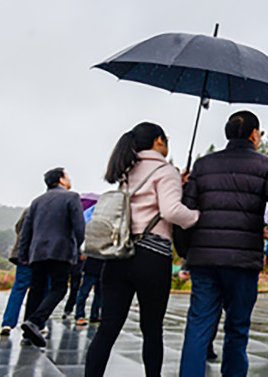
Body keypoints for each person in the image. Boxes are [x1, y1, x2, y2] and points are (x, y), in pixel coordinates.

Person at [178, 110, 268, 377]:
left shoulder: (203, 165)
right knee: (237, 327)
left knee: (198, 325)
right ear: (254, 135)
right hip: (242, 262)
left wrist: (186, 251)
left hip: (205, 261)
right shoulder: (266, 165)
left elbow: (185, 212)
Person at [84, 122, 199, 377]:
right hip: (152, 257)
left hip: (119, 255)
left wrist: (174, 182)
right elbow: (170, 211)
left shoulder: (126, 168)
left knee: (107, 329)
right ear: (159, 141)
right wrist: (196, 216)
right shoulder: (164, 170)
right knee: (151, 329)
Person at [17, 167, 85, 347]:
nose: (69, 179)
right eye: (67, 175)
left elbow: (26, 231)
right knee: (59, 288)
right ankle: (35, 321)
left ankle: (27, 334)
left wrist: (24, 254)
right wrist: (82, 247)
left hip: (37, 252)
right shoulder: (71, 197)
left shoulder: (37, 201)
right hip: (60, 251)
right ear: (61, 180)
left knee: (36, 290)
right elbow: (79, 227)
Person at [0, 207, 31, 336]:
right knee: (41, 289)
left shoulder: (31, 208)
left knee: (19, 288)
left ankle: (8, 322)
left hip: (23, 253)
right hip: (40, 254)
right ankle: (33, 323)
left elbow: (18, 227)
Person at [73, 256, 104, 326]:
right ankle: (79, 315)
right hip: (91, 266)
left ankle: (94, 315)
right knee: (84, 293)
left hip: (102, 267)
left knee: (99, 294)